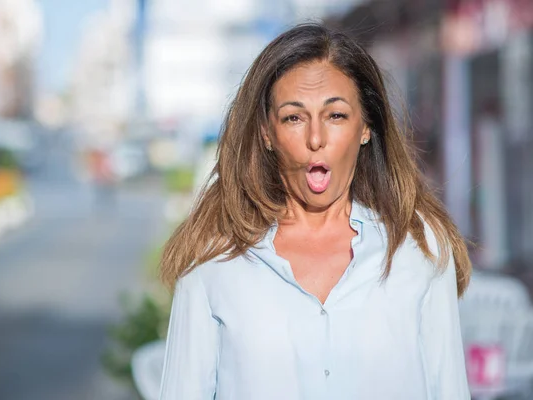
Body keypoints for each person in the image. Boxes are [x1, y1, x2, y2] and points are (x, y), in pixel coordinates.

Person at [158, 23, 472, 400]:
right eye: (294, 117)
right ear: (266, 133)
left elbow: (449, 389)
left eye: (335, 115)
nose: (315, 138)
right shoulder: (213, 257)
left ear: (366, 127)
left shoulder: (419, 246)